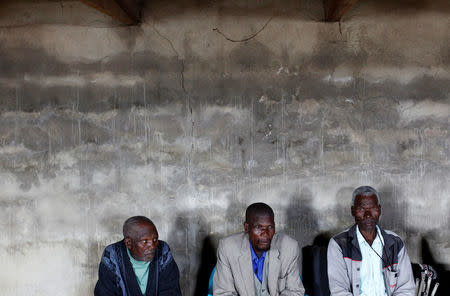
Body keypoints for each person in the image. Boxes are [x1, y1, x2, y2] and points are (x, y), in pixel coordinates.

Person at [327, 186, 415, 296]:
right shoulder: (339, 244)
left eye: (373, 209)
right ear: (352, 211)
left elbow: (406, 289)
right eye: (361, 209)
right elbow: (339, 292)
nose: (368, 215)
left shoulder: (395, 242)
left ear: (380, 210)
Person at [214, 202, 305, 296]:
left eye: (270, 227)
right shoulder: (228, 247)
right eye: (259, 227)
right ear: (246, 227)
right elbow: (223, 293)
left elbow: (295, 291)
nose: (265, 233)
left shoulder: (289, 247)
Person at [94, 216, 182, 296]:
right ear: (129, 243)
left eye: (155, 239)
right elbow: (105, 292)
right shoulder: (112, 255)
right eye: (145, 241)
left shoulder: (163, 250)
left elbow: (171, 290)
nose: (152, 246)